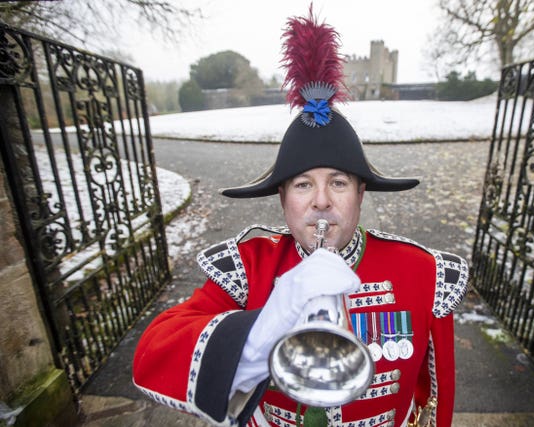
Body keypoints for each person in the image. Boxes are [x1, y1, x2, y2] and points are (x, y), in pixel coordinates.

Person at [133, 7, 467, 427]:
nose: (322, 202)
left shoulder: (422, 270)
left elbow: (434, 395)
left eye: (340, 183)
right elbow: (151, 355)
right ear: (283, 197)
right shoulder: (248, 266)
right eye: (303, 184)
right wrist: (264, 326)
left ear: (361, 193)